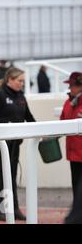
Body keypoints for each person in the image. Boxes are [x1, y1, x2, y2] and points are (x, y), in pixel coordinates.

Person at [0, 67, 35, 221]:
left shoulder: (21, 96)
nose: (22, 84)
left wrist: (41, 131)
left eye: (23, 81)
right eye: (19, 81)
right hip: (0, 142)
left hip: (15, 142)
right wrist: (9, 124)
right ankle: (1, 209)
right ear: (10, 80)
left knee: (12, 173)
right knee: (2, 172)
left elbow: (28, 116)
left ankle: (14, 208)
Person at [59, 71, 82, 223]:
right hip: (73, 153)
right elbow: (61, 122)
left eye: (72, 85)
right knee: (76, 184)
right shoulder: (69, 102)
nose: (70, 88)